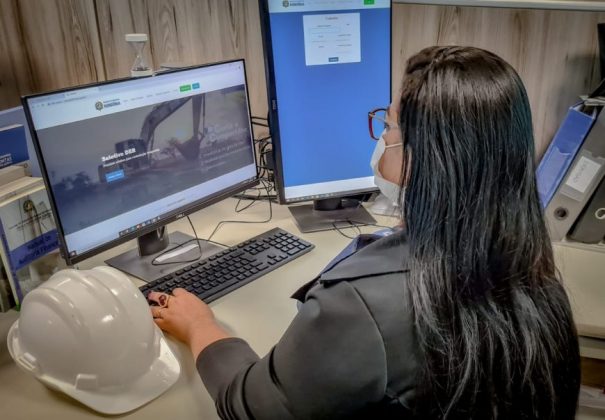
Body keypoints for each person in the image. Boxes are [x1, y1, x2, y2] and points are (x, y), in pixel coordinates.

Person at [148, 46, 581, 419]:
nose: (382, 137)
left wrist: (200, 326)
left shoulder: (364, 304)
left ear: (422, 158)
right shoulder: (537, 274)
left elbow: (252, 407)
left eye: (389, 126)